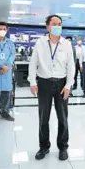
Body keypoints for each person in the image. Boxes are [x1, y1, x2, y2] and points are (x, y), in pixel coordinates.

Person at [29, 15, 75, 161]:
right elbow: (33, 63)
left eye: (59, 24)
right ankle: (44, 147)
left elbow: (71, 66)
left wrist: (68, 85)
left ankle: (63, 147)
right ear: (47, 26)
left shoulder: (66, 44)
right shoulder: (40, 43)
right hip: (44, 83)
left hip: (61, 84)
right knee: (43, 118)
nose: (57, 26)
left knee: (63, 118)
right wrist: (32, 82)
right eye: (54, 24)